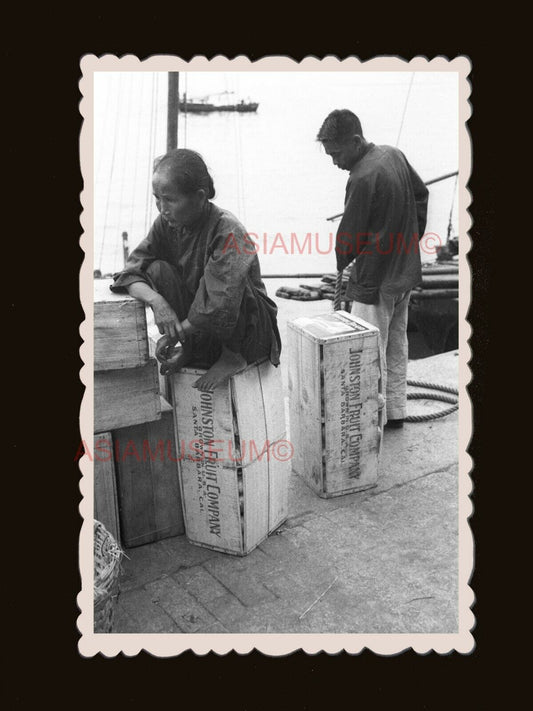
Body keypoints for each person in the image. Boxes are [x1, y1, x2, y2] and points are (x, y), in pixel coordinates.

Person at [111, 149, 281, 392]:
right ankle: (191, 350)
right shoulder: (166, 224)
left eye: (170, 200)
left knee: (230, 284)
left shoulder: (227, 231)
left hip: (247, 332)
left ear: (200, 197)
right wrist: (157, 301)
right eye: (157, 198)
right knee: (157, 269)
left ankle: (233, 355)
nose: (162, 208)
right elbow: (130, 273)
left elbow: (218, 306)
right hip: (201, 329)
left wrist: (173, 334)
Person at [317, 109, 429, 428]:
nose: (335, 162)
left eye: (336, 154)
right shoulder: (394, 155)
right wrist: (412, 239)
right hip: (404, 274)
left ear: (355, 141)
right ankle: (395, 411)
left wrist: (342, 266)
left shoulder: (362, 178)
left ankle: (369, 421)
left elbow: (349, 238)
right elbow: (422, 196)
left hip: (376, 281)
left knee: (368, 353)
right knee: (396, 343)